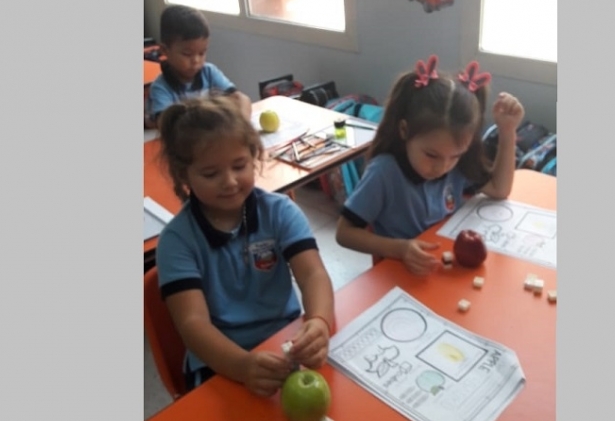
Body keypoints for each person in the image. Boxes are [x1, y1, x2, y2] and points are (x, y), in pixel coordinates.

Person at [155, 95, 335, 396]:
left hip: (286, 342)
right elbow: (193, 323)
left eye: (239, 166)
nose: (229, 181)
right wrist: (241, 366)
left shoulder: (280, 211)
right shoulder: (176, 241)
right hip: (219, 361)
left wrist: (319, 322)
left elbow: (313, 274)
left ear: (254, 157)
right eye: (210, 173)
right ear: (184, 175)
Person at [335, 54, 524, 276]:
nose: (443, 167)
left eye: (455, 156)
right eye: (431, 155)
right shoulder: (384, 172)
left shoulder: (457, 164)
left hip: (441, 265)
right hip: (399, 271)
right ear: (404, 131)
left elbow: (500, 189)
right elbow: (344, 233)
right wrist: (400, 249)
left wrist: (507, 131)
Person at [144, 4, 252, 129]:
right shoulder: (161, 87)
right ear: (165, 51)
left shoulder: (209, 72)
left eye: (202, 53)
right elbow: (167, 125)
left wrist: (243, 125)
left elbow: (240, 99)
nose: (196, 60)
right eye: (187, 54)